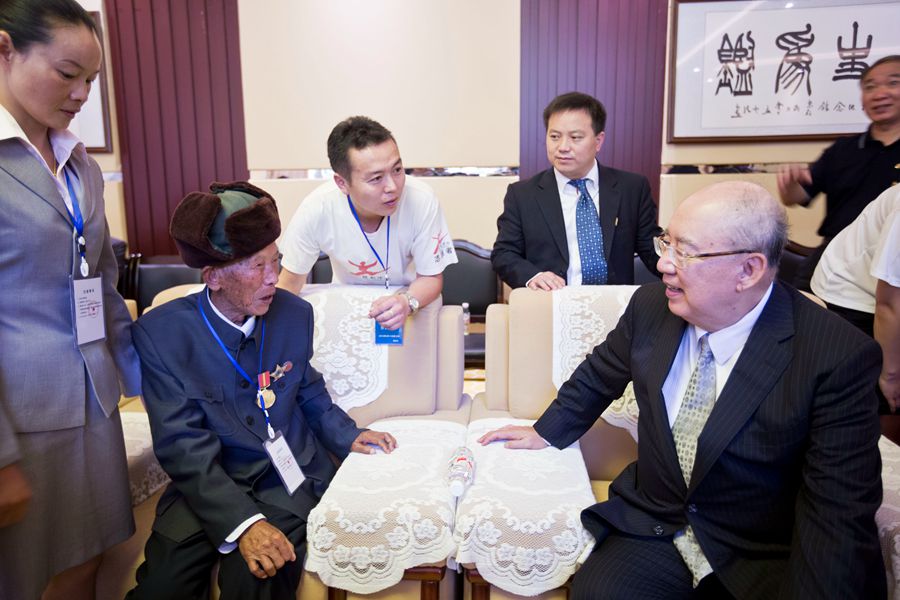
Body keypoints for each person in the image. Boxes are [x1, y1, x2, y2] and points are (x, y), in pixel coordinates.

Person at [479, 181, 885, 599]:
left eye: (685, 252)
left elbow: (836, 514)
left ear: (749, 269)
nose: (664, 265)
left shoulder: (836, 357)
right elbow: (600, 374)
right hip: (656, 526)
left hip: (760, 552)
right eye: (666, 243)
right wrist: (545, 431)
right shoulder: (651, 307)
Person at [127, 182, 397, 600]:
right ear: (213, 277)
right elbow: (181, 445)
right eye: (257, 267)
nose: (274, 278)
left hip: (283, 481)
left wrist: (347, 435)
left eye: (277, 261)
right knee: (163, 587)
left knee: (256, 579)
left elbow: (306, 390)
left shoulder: (294, 314)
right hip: (207, 487)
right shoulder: (162, 334)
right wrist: (243, 523)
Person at [0, 2, 142, 599]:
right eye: (67, 73)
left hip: (93, 400)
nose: (82, 93)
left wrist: (148, 383)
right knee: (21, 575)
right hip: (22, 417)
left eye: (92, 80)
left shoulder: (79, 164)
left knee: (84, 563)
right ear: (5, 49)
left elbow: (102, 285)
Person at [277, 116, 457, 330]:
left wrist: (406, 302)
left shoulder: (422, 200)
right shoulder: (317, 209)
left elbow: (431, 278)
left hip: (410, 305)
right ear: (342, 183)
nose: (392, 186)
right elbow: (289, 284)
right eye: (376, 178)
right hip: (348, 308)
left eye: (397, 170)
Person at [491, 91, 661, 291]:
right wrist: (534, 276)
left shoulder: (631, 188)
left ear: (598, 141)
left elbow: (652, 250)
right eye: (554, 137)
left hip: (615, 308)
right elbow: (504, 253)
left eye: (575, 137)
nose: (563, 147)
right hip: (552, 305)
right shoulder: (523, 195)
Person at [777, 55, 900, 291]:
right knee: (807, 319)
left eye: (893, 83)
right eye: (870, 87)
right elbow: (797, 197)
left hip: (892, 263)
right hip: (835, 261)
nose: (879, 94)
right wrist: (790, 185)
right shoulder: (842, 150)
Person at [811, 185, 899, 411]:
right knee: (878, 398)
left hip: (887, 298)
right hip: (852, 295)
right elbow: (889, 303)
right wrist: (891, 376)